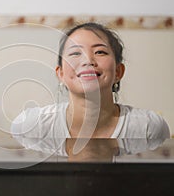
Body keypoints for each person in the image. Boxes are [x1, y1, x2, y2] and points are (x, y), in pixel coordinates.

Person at [11, 22, 170, 146]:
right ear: (61, 74)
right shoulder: (31, 126)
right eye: (75, 53)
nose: (87, 60)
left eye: (100, 52)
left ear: (118, 72)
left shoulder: (148, 128)